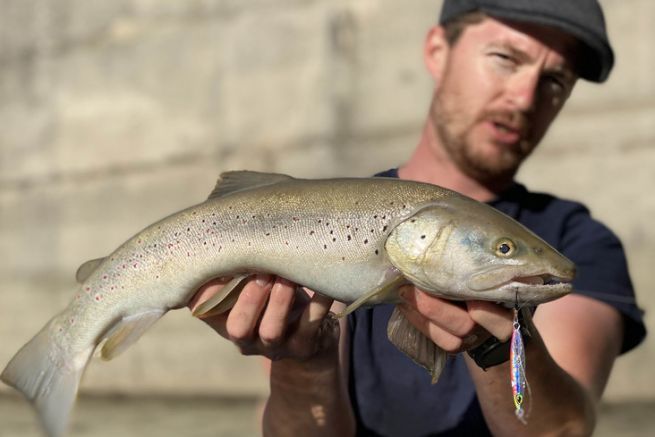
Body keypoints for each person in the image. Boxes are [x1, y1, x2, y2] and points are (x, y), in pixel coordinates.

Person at [189, 0, 646, 435]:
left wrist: (498, 350)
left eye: (554, 81)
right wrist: (302, 365)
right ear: (437, 50)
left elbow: (563, 432)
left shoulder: (580, 241)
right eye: (505, 58)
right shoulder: (323, 219)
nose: (524, 98)